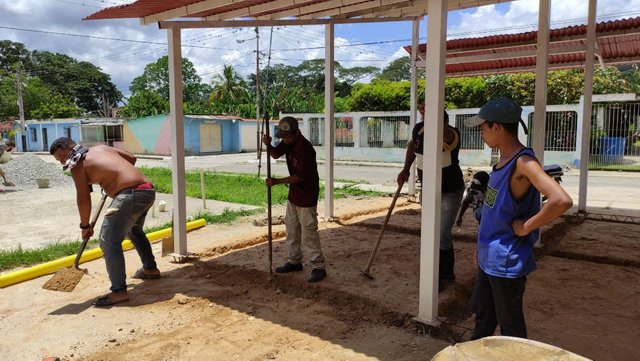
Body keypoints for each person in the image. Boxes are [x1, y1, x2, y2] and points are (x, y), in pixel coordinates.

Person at [464, 98, 572, 339]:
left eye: (483, 127)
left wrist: (525, 227)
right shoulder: (501, 162)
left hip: (505, 260)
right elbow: (494, 211)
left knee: (510, 328)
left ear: (497, 127)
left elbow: (561, 200)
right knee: (483, 314)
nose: (481, 132)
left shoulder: (523, 162)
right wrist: (482, 249)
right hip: (490, 257)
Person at [49, 137, 160, 307]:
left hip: (129, 195)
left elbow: (83, 198)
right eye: (58, 160)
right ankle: (150, 269)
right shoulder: (101, 148)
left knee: (108, 241)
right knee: (134, 230)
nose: (62, 161)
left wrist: (85, 226)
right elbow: (131, 159)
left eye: (61, 156)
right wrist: (108, 177)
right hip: (146, 190)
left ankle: (119, 291)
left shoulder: (77, 163)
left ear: (66, 149)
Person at [397, 103, 465, 291]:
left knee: (441, 235)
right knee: (430, 232)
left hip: (450, 191)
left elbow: (444, 134)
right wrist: (405, 169)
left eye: (431, 116)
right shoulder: (419, 129)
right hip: (428, 189)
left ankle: (444, 276)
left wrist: (433, 116)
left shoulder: (452, 133)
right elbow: (413, 146)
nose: (425, 118)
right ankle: (435, 271)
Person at [262, 116, 327, 283]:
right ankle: (294, 261)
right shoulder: (288, 140)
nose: (285, 140)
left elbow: (299, 177)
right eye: (283, 137)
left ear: (296, 132)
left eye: (288, 137)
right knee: (291, 228)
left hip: (306, 194)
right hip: (294, 194)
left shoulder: (305, 149)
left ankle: (318, 266)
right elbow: (276, 154)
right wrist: (268, 145)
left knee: (308, 231)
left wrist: (276, 181)